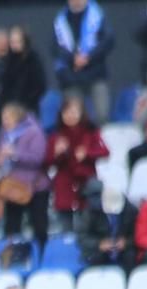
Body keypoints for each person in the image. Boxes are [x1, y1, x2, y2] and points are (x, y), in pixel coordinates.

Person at [0, 101, 51, 262]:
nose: (5, 120)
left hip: (35, 187)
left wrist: (15, 154)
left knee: (39, 225)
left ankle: (42, 256)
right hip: (13, 187)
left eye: (8, 117)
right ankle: (12, 257)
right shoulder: (4, 134)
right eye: (3, 117)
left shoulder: (34, 132)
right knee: (12, 226)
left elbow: (38, 158)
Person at [45, 93, 108, 231]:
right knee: (66, 228)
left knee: (87, 227)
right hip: (64, 186)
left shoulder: (91, 132)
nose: (70, 115)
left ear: (81, 113)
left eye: (74, 111)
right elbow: (47, 162)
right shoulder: (56, 135)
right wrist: (57, 153)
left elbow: (105, 152)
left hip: (86, 186)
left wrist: (87, 154)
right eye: (66, 112)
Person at [53, 0, 116, 123]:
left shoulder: (97, 15)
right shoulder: (61, 20)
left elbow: (108, 40)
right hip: (71, 76)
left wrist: (88, 57)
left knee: (102, 115)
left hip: (95, 72)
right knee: (74, 118)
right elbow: (55, 47)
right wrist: (73, 59)